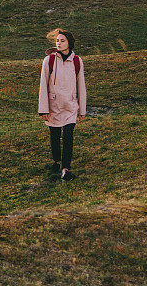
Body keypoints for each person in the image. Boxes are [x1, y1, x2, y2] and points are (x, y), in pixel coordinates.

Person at [38, 28, 87, 181]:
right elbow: (43, 85)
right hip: (53, 106)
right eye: (57, 41)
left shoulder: (77, 61)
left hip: (70, 106)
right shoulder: (49, 60)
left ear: (69, 43)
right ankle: (56, 162)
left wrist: (82, 110)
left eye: (62, 40)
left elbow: (81, 86)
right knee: (54, 136)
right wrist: (43, 109)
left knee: (68, 136)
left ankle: (66, 169)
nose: (59, 43)